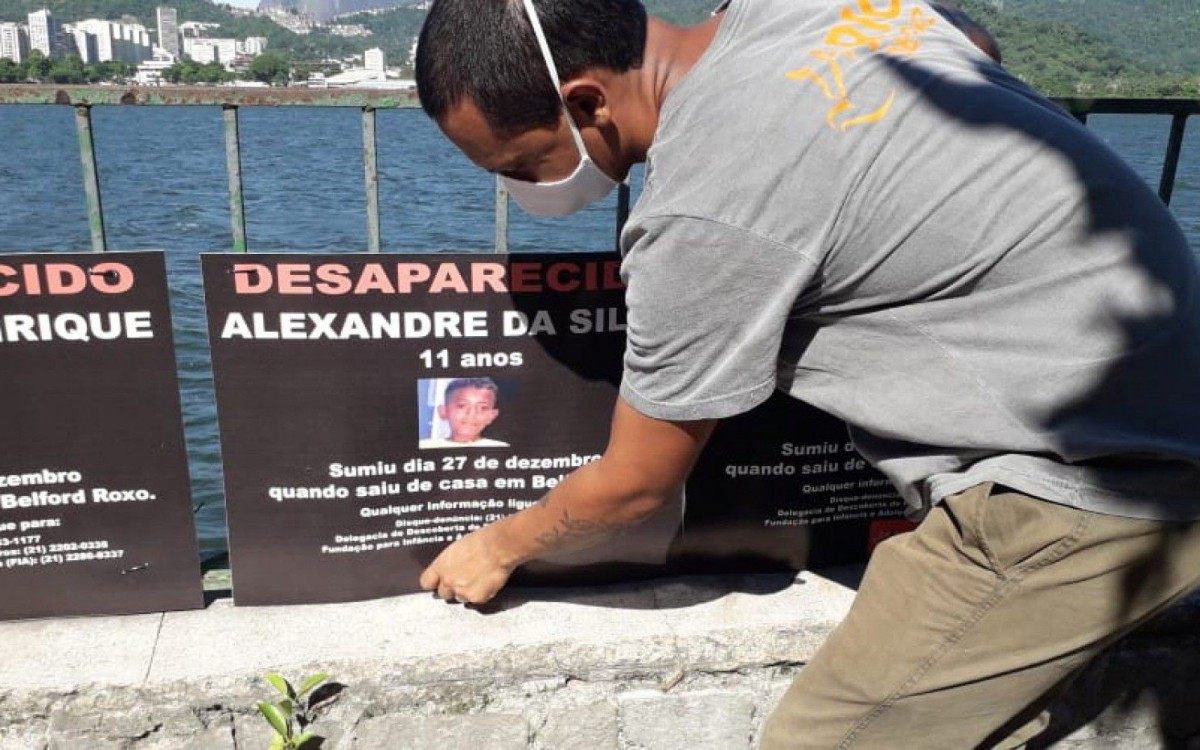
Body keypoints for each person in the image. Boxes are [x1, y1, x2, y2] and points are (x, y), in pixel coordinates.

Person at [412, 0, 1200, 746]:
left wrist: (498, 548)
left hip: (1099, 475)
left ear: (587, 103)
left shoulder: (703, 212)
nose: (518, 187)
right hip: (1164, 375)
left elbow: (637, 484)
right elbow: (969, 37)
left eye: (521, 163)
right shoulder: (803, 11)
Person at [418, 377, 510, 449]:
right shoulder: (424, 446)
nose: (472, 414)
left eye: (483, 408)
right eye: (462, 406)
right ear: (443, 411)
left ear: (492, 416)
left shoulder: (501, 448)